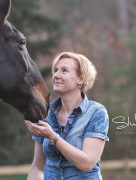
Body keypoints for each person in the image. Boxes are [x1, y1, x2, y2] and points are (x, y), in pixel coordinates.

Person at [25, 52, 109, 180]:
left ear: (80, 79)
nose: (56, 75)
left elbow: (87, 164)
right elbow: (38, 167)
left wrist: (52, 136)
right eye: (55, 70)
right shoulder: (44, 114)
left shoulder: (96, 113)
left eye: (64, 71)